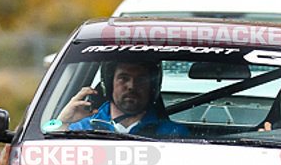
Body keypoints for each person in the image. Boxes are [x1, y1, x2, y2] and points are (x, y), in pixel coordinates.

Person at [57, 56, 189, 137]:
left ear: (152, 87)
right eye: (123, 78)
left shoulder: (174, 133)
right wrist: (61, 123)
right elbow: (45, 144)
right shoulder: (81, 128)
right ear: (109, 83)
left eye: (141, 79)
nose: (131, 86)